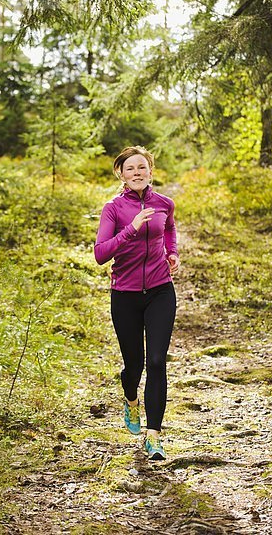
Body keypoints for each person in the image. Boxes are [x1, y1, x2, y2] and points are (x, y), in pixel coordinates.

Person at [94, 146, 180, 460]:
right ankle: (131, 400)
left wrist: (172, 253)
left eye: (142, 167)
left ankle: (154, 436)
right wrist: (132, 229)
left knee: (157, 362)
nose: (137, 173)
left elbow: (169, 229)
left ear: (150, 171)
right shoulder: (113, 209)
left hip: (160, 291)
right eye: (130, 169)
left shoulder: (164, 204)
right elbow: (101, 254)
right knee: (135, 366)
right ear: (121, 174)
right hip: (125, 295)